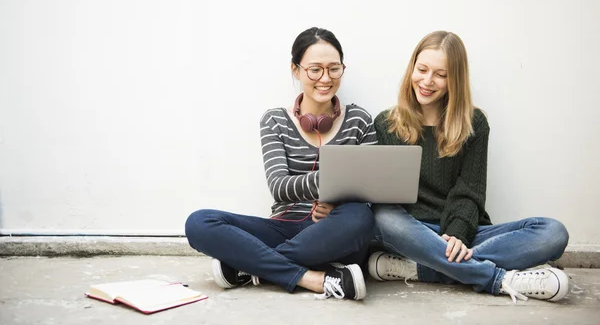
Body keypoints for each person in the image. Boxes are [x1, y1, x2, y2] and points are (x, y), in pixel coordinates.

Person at [368, 31, 570, 303]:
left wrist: (456, 234)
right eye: (422, 69)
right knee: (382, 217)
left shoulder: (474, 123)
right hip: (410, 233)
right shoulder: (385, 123)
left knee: (553, 232)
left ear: (455, 80)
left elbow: (470, 190)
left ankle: (424, 268)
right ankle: (496, 278)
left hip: (463, 234)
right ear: (412, 68)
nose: (427, 81)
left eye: (441, 74)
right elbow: (383, 196)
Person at [185, 27, 378, 300]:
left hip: (334, 229)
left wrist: (337, 203)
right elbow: (279, 186)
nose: (326, 78)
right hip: (283, 226)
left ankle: (249, 267)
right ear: (296, 70)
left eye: (334, 69)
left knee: (360, 216)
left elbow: (373, 190)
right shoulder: (274, 120)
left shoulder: (360, 119)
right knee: (199, 222)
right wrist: (334, 181)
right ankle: (316, 278)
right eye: (315, 70)